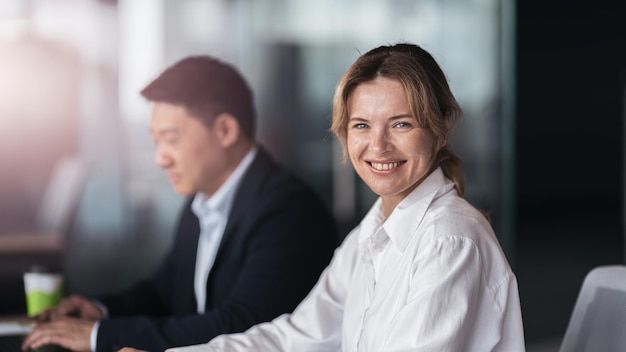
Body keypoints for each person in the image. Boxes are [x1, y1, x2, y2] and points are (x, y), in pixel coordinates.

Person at [127, 43, 526, 352]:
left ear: (442, 127)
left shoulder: (449, 240)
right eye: (361, 126)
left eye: (401, 124)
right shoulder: (370, 237)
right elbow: (292, 340)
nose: (378, 145)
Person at [22, 55, 339, 352]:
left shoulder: (289, 212)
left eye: (171, 139)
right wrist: (101, 311)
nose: (161, 159)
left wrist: (97, 336)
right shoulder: (201, 200)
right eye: (156, 141)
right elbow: (164, 290)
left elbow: (242, 326)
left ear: (225, 130)